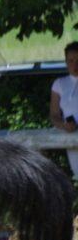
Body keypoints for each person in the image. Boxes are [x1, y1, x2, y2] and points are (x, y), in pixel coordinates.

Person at [50, 41, 78, 176]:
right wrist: (64, 125)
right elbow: (54, 115)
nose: (75, 65)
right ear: (66, 62)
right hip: (71, 138)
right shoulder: (59, 84)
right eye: (71, 61)